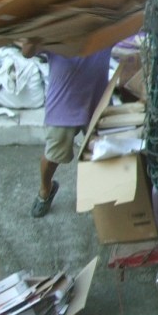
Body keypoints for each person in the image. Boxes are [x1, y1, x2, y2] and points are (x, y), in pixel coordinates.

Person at [21, 43, 112, 218]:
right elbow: (27, 52)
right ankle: (45, 189)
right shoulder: (58, 30)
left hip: (97, 102)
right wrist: (35, 36)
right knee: (53, 157)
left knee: (105, 153)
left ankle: (105, 195)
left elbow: (132, 30)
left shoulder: (104, 29)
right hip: (63, 105)